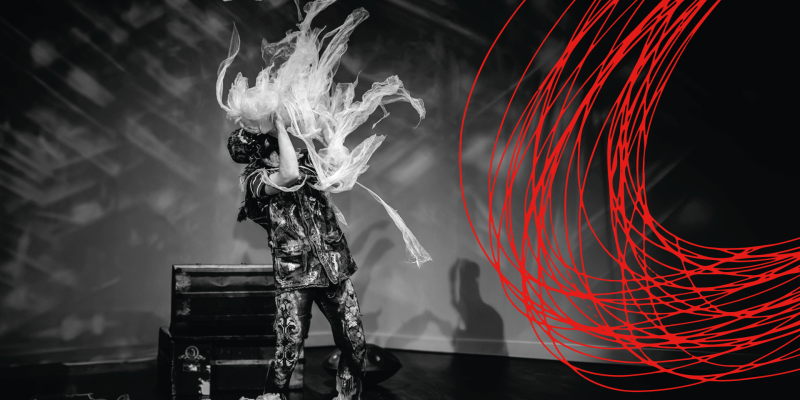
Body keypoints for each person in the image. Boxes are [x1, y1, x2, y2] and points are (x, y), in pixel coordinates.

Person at [228, 115, 366, 400]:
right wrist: (280, 125)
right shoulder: (256, 181)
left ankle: (348, 396)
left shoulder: (305, 160)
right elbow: (289, 175)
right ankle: (272, 396)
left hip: (332, 266)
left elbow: (341, 170)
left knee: (354, 341)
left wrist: (326, 128)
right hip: (295, 274)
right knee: (288, 348)